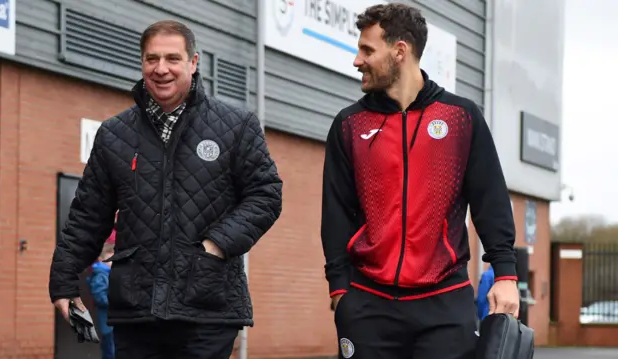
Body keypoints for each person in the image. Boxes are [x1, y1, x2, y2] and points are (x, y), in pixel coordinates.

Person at [49, 20, 283, 359]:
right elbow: (88, 215)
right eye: (151, 59)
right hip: (136, 308)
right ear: (142, 62)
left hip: (208, 304)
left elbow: (266, 195)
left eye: (172, 58)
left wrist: (215, 245)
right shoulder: (114, 134)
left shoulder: (236, 125)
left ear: (193, 62)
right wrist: (64, 280)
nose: (161, 69)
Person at [320, 4, 519, 359]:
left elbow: (490, 201)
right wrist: (339, 289)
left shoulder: (460, 118)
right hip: (369, 303)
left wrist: (504, 274)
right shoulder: (349, 125)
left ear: (400, 51)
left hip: (444, 303)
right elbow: (335, 211)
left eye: (367, 50)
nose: (357, 60)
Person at [87, 236, 116, 359]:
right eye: (109, 259)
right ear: (101, 259)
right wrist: (115, 302)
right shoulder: (100, 274)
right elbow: (100, 296)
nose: (112, 263)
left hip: (112, 321)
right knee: (110, 351)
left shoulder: (108, 274)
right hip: (107, 322)